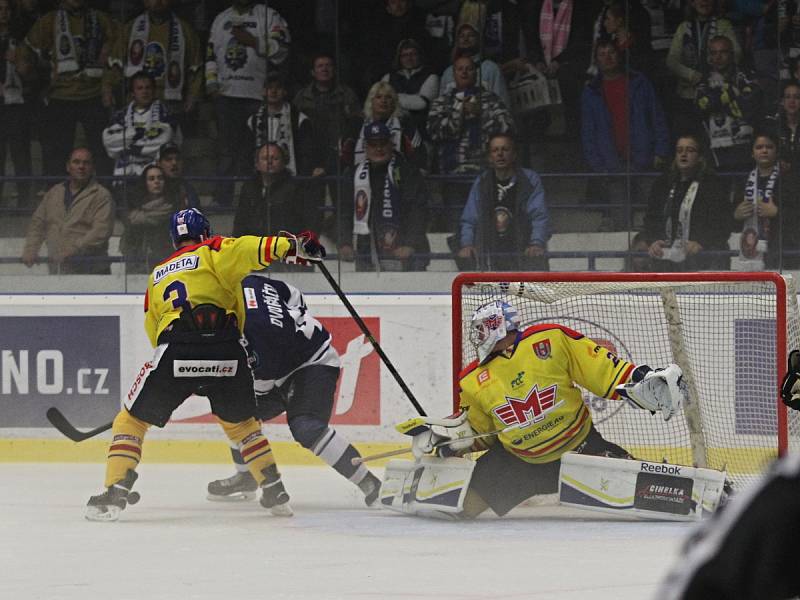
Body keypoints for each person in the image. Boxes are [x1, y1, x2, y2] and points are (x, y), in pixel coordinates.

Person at [84, 208, 326, 521]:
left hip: (177, 347)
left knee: (131, 421)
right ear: (205, 232)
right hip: (228, 350)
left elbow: (153, 328)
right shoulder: (213, 250)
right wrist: (292, 246)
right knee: (242, 425)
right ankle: (274, 489)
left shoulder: (158, 273)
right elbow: (250, 249)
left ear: (174, 238)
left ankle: (115, 493)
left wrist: (181, 373)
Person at [404, 300, 686, 519]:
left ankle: (698, 489)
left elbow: (602, 370)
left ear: (497, 326)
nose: (476, 337)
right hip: (515, 463)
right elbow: (482, 431)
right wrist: (449, 440)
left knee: (653, 493)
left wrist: (641, 380)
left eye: (480, 329)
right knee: (457, 509)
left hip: (579, 449)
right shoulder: (472, 379)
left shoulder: (551, 340)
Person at [206, 274, 382, 506]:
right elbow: (293, 296)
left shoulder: (252, 334)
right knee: (234, 411)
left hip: (313, 363)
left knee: (305, 426)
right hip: (281, 362)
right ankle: (247, 476)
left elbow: (262, 378)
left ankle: (371, 485)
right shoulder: (249, 282)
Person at [206, 0, 290, 206]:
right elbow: (210, 55)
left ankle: (257, 199)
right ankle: (222, 198)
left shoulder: (269, 15)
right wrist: (211, 83)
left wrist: (254, 42)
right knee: (226, 150)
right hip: (226, 96)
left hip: (257, 96)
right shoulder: (221, 18)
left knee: (257, 149)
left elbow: (282, 49)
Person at [581, 40, 669, 229]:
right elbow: (588, 134)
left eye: (611, 52)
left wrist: (661, 151)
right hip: (612, 166)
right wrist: (598, 165)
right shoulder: (591, 91)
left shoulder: (639, 82)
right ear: (596, 60)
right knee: (621, 225)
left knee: (654, 219)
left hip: (644, 161)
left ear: (619, 54)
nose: (608, 57)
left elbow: (657, 116)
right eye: (602, 54)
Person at [22, 0, 116, 176]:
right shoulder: (49, 20)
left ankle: (106, 193)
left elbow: (119, 49)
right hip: (60, 95)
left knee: (102, 149)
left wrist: (107, 82)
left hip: (94, 93)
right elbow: (26, 53)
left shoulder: (101, 19)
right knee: (56, 153)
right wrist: (37, 80)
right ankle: (56, 195)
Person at [338, 121, 431, 272]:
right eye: (373, 144)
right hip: (366, 253)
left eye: (383, 143)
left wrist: (410, 244)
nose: (379, 148)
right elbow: (345, 211)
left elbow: (418, 211)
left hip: (406, 255)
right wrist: (345, 242)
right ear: (365, 147)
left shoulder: (408, 172)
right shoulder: (354, 174)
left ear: (391, 144)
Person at [457, 133, 550, 271]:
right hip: (490, 256)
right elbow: (470, 219)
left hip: (524, 254)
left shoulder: (529, 179)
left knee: (527, 292)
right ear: (489, 157)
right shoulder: (482, 182)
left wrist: (536, 243)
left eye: (505, 149)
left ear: (514, 155)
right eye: (495, 150)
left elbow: (539, 216)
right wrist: (467, 244)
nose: (500, 154)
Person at [641, 134, 732, 271]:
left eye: (690, 150)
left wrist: (702, 243)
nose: (684, 154)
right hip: (667, 260)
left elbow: (723, 224)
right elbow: (650, 219)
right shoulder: (662, 184)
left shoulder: (712, 185)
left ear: (700, 157)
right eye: (679, 150)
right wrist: (653, 241)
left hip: (702, 260)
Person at [105, 0, 203, 125]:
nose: (158, 1)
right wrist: (107, 88)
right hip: (136, 103)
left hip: (171, 103)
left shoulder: (185, 30)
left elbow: (195, 68)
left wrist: (193, 95)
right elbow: (114, 62)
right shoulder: (131, 28)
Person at [21, 147, 114, 274]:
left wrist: (72, 250)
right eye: (76, 162)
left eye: (86, 163)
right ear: (68, 166)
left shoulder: (102, 195)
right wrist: (31, 249)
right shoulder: (54, 192)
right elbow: (38, 223)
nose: (81, 166)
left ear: (92, 168)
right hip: (58, 269)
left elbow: (100, 232)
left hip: (91, 271)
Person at [427, 53, 514, 175]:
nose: (464, 72)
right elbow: (433, 132)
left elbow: (507, 127)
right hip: (450, 168)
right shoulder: (441, 102)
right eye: (460, 69)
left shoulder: (491, 99)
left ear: (476, 73)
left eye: (469, 69)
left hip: (484, 169)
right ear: (454, 74)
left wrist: (481, 114)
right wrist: (459, 114)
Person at [666, 0, 741, 137]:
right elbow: (671, 61)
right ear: (692, 3)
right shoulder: (683, 28)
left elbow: (736, 54)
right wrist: (693, 76)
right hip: (687, 94)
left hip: (716, 93)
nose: (704, 2)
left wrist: (719, 73)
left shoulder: (723, 25)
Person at [732, 130, 800, 270]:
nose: (764, 151)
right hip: (749, 250)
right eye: (759, 147)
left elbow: (796, 214)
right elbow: (725, 219)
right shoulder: (742, 181)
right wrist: (735, 215)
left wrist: (777, 212)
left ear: (776, 152)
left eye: (769, 147)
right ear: (752, 153)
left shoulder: (789, 180)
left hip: (781, 251)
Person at [696, 35, 762, 171]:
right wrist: (732, 93)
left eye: (723, 52)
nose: (718, 57)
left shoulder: (746, 76)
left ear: (731, 54)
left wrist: (718, 97)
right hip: (717, 150)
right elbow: (703, 105)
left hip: (744, 147)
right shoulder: (703, 81)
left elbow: (749, 106)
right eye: (714, 53)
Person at [292, 52, 362, 177]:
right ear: (313, 72)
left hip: (338, 155)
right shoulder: (302, 97)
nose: (325, 69)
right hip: (310, 154)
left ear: (334, 70)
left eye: (328, 65)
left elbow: (356, 122)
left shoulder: (346, 94)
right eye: (320, 66)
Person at [102, 71, 178, 180]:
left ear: (154, 91)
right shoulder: (120, 115)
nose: (145, 92)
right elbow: (109, 141)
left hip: (153, 175)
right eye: (140, 88)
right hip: (123, 173)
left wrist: (128, 146)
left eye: (148, 88)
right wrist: (138, 134)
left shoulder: (165, 114)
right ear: (132, 93)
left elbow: (163, 140)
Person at [233, 142, 319, 238]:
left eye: (275, 158)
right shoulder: (248, 188)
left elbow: (311, 221)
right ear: (257, 164)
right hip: (255, 246)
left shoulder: (296, 188)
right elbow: (240, 221)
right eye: (265, 158)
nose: (270, 162)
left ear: (283, 163)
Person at [246, 72, 315, 176]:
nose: (273, 91)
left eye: (278, 88)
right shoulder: (253, 121)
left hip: (292, 179)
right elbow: (246, 152)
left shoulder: (300, 120)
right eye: (269, 88)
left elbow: (306, 152)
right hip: (260, 179)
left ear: (284, 92)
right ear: (264, 92)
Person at [119, 164, 185, 274]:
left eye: (160, 178)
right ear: (145, 183)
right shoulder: (134, 211)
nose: (156, 182)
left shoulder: (175, 209)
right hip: (137, 267)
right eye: (151, 179)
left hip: (166, 267)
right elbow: (128, 243)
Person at [353, 80, 427, 170]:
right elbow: (346, 154)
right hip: (361, 176)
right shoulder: (357, 125)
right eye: (379, 97)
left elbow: (419, 155)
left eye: (388, 97)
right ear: (371, 101)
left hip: (399, 175)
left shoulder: (405, 124)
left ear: (394, 102)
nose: (383, 101)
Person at [381, 38, 440, 142]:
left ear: (419, 56)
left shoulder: (431, 76)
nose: (409, 58)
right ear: (399, 58)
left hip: (421, 134)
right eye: (405, 55)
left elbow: (421, 103)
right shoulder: (388, 77)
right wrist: (410, 99)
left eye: (413, 54)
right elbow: (380, 102)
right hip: (391, 134)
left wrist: (392, 98)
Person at [438, 21, 509, 106]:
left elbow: (502, 102)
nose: (466, 39)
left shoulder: (491, 68)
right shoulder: (448, 72)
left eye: (471, 35)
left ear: (479, 39)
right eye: (462, 36)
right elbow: (441, 105)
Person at [157, 142, 199, 210]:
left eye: (178, 159)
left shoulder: (188, 189)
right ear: (159, 164)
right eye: (168, 159)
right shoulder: (152, 187)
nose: (174, 163)